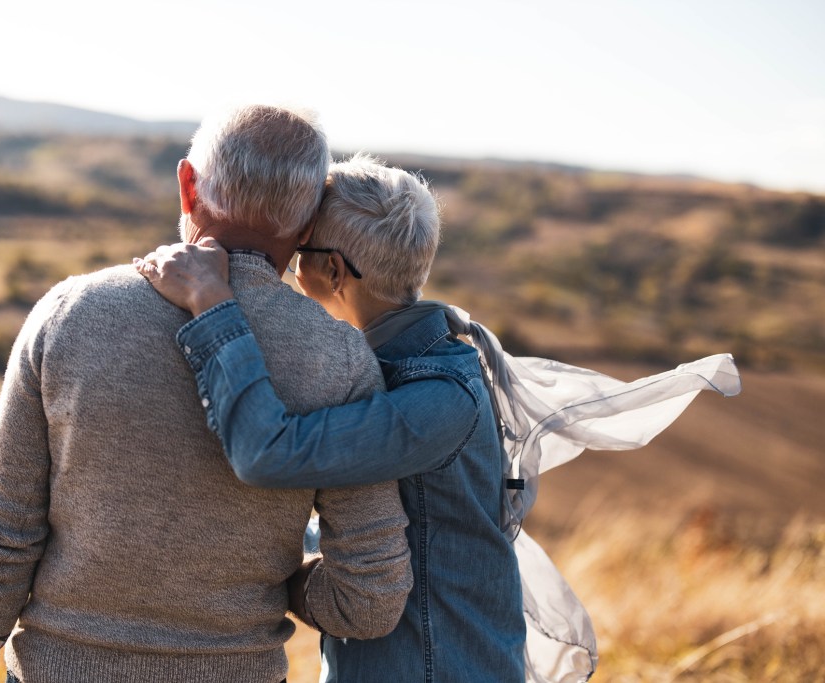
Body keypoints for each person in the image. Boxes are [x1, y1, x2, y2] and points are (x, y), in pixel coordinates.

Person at [137, 153, 743, 683]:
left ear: (332, 271)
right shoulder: (407, 366)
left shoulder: (439, 398)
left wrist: (212, 306)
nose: (290, 269)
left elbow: (272, 451)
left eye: (299, 254)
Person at [0, 107, 413, 683]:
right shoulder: (339, 360)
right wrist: (272, 579)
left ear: (188, 185)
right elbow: (370, 600)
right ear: (309, 223)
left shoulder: (69, 315)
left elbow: (3, 541)